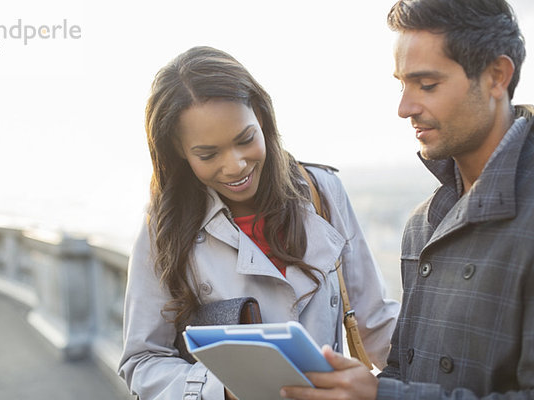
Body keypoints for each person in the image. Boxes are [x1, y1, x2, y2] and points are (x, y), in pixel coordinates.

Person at [280, 0, 534, 399]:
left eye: (427, 85)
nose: (405, 108)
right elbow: (403, 368)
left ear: (496, 76)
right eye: (402, 85)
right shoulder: (423, 224)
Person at [117, 46, 399, 399]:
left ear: (262, 118)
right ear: (178, 150)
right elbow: (142, 361)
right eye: (208, 154)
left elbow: (376, 323)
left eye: (245, 139)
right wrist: (225, 389)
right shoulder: (164, 225)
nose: (235, 165)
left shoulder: (323, 191)